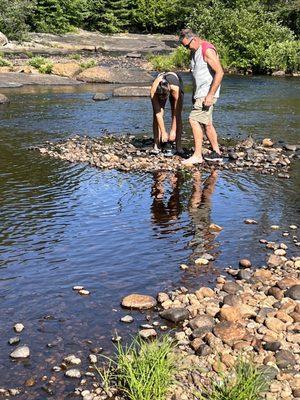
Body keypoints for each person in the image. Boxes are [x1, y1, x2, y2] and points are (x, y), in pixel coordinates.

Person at [179, 29, 224, 165]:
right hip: (200, 93)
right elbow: (196, 75)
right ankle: (216, 152)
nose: (186, 48)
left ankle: (197, 155)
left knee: (193, 119)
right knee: (207, 123)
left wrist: (210, 95)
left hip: (207, 93)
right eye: (184, 46)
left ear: (195, 39)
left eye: (187, 45)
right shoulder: (194, 52)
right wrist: (194, 94)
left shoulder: (207, 49)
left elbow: (220, 72)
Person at [150, 72, 184, 154]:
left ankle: (178, 146)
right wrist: (163, 131)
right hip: (161, 85)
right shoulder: (153, 91)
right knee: (156, 114)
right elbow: (158, 113)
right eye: (161, 96)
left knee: (176, 113)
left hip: (175, 81)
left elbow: (177, 113)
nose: (163, 98)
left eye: (165, 96)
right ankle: (157, 144)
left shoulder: (175, 89)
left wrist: (173, 130)